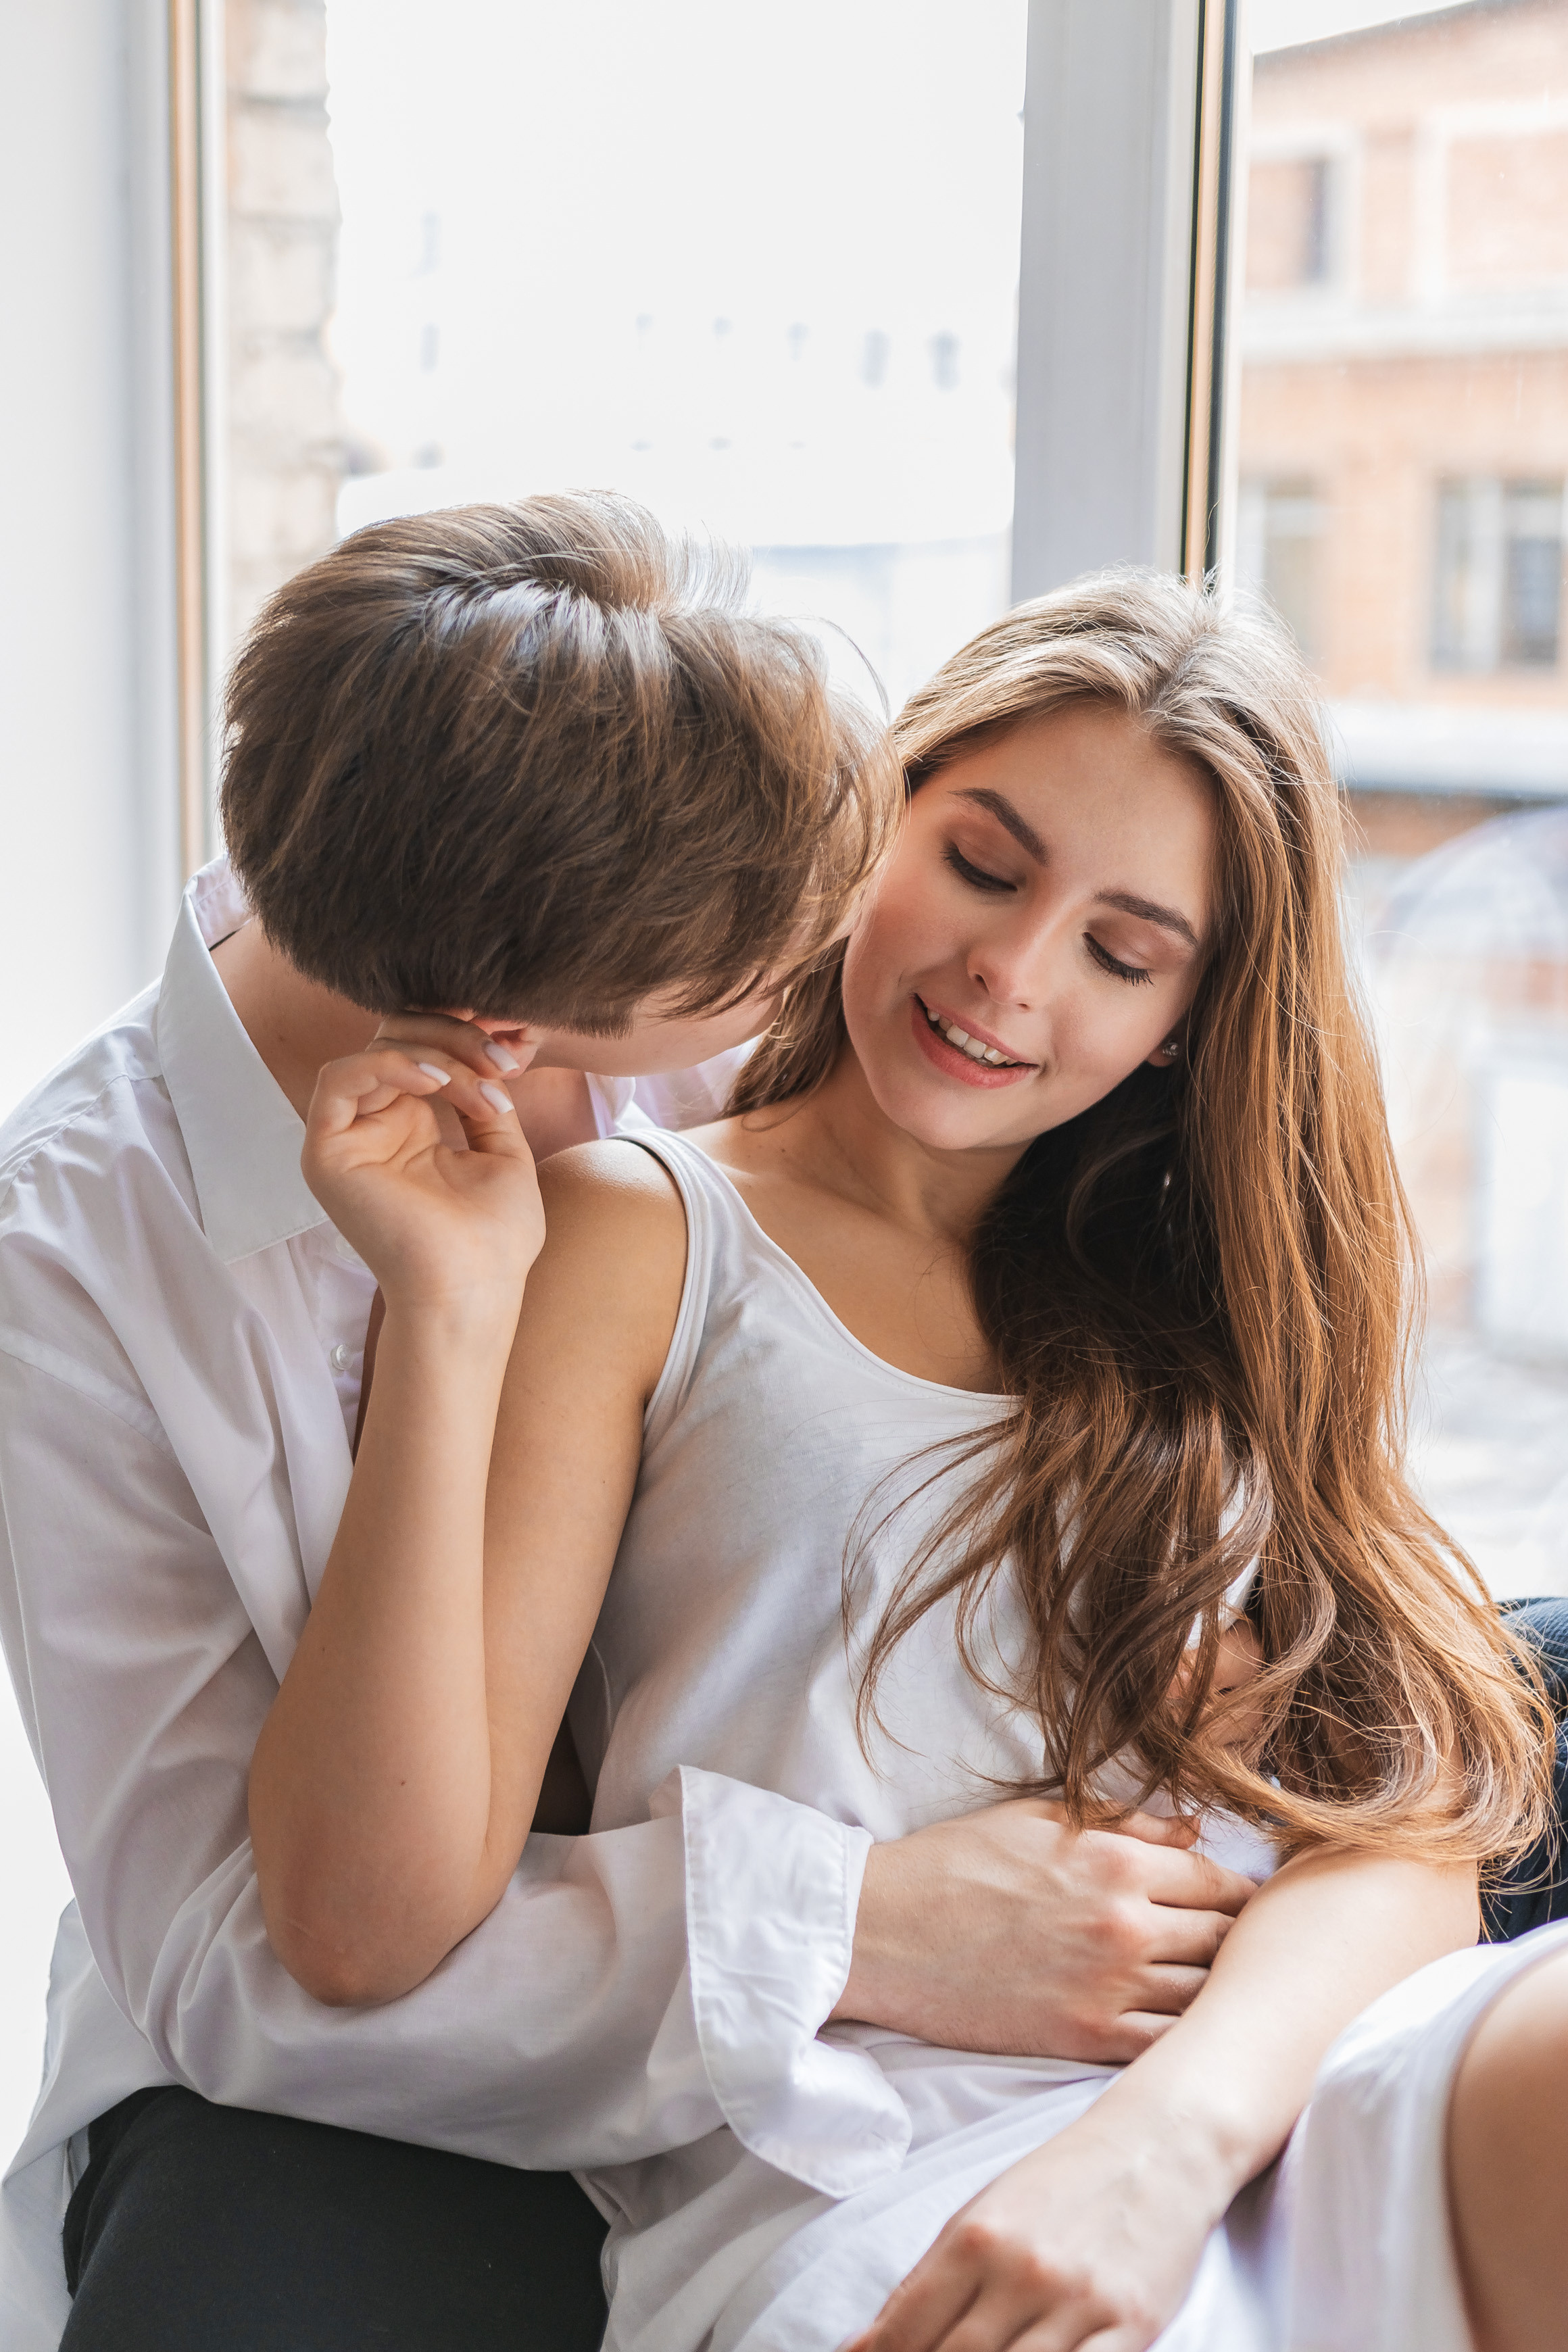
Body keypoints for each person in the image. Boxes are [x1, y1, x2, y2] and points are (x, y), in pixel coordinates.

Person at [0, 499, 1267, 2352]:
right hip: (361, 2072)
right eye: (758, 981)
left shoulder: (643, 872)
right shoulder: (75, 1255)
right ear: (504, 1035)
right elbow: (258, 1967)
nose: (853, 971)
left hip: (913, 1955)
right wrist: (856, 1930)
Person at [259, 565, 1566, 2352]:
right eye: (982, 861)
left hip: (1277, 2102)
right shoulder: (644, 1236)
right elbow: (361, 1920)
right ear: (875, 820)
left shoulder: (1198, 1317)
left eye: (1121, 950)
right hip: (882, 2182)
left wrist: (1157, 2154)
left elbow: (1401, 1825)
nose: (1007, 973)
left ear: (1184, 1018)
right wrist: (451, 1307)